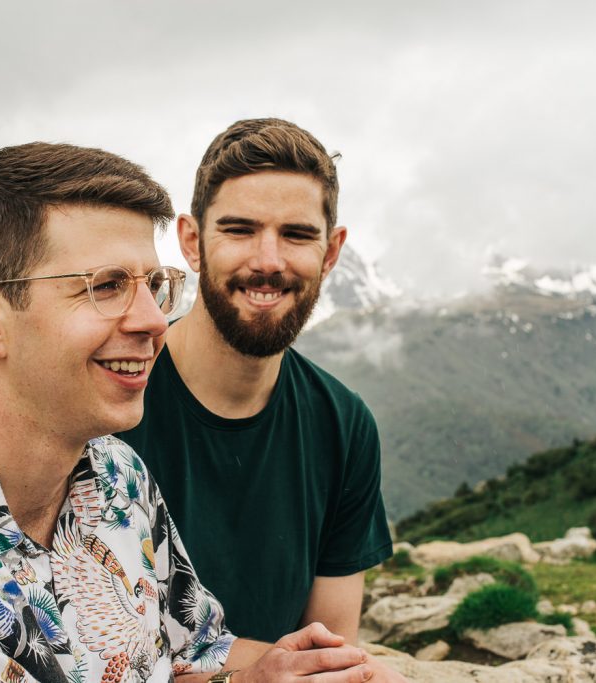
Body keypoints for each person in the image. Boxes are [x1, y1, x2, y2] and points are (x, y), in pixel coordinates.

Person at [0, 142, 377, 682]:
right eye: (106, 287)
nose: (154, 321)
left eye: (153, 286)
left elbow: (191, 651)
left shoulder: (118, 478)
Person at [119, 119, 394, 645]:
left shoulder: (344, 425)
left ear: (331, 253)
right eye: (240, 230)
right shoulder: (113, 403)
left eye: (296, 234)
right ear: (192, 243)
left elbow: (329, 647)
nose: (268, 261)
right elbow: (96, 647)